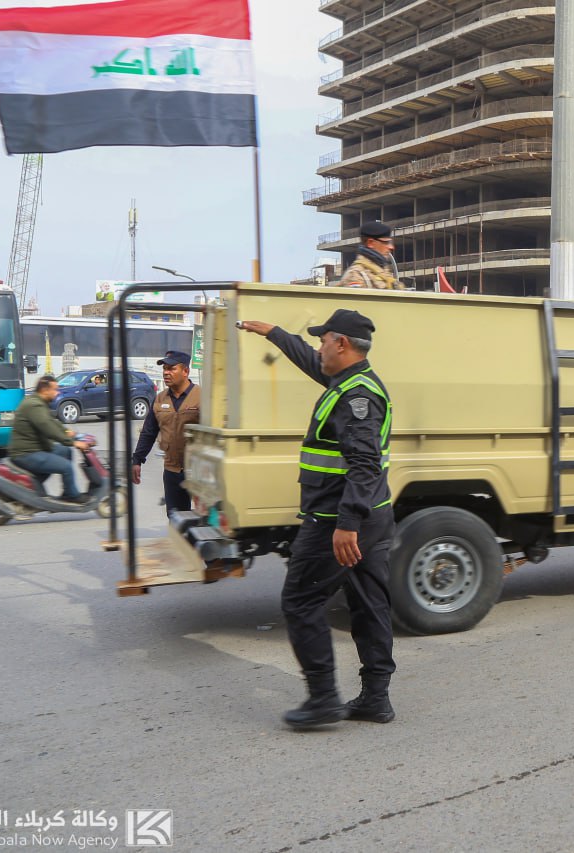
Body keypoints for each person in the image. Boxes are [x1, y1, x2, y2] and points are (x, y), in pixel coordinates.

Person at [237, 310, 397, 729]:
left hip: (336, 520)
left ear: (341, 343)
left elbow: (364, 465)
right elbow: (310, 360)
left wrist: (346, 523)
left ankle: (323, 698)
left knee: (301, 600)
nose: (318, 347)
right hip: (372, 516)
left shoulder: (355, 397)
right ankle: (376, 699)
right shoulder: (345, 380)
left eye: (323, 340)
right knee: (369, 604)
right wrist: (273, 333)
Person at [132, 351, 201, 516]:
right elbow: (149, 432)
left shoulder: (203, 397)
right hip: (172, 471)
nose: (166, 373)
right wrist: (137, 460)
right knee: (176, 519)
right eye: (164, 369)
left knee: (205, 521)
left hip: (199, 471)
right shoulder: (159, 399)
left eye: (171, 368)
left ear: (185, 371)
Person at [9, 374, 89, 503]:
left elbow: (51, 421)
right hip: (26, 453)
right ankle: (72, 496)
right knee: (66, 467)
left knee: (65, 451)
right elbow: (47, 427)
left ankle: (64, 490)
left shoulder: (39, 403)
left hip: (36, 448)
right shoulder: (34, 405)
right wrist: (73, 442)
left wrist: (67, 431)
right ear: (45, 390)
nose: (57, 393)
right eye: (55, 390)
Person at [333, 221, 405, 290]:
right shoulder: (356, 274)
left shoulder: (383, 271)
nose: (391, 247)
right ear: (370, 243)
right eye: (386, 242)